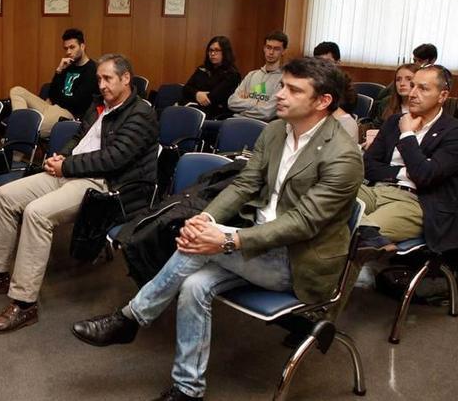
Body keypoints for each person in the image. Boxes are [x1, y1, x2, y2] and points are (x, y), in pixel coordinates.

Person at [72, 57, 363, 401]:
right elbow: (243, 186)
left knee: (192, 249)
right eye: (282, 85)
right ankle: (188, 389)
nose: (279, 94)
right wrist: (206, 220)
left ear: (323, 101)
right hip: (255, 247)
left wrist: (227, 239)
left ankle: (130, 318)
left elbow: (302, 222)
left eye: (293, 89)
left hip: (298, 261)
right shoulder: (274, 131)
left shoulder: (343, 155)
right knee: (195, 283)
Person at [0, 54, 159, 334]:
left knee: (37, 214)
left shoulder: (141, 114)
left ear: (126, 79)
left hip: (103, 184)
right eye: (99, 78)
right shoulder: (99, 105)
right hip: (71, 171)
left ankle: (24, 304)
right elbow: (80, 137)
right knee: (4, 196)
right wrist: (60, 157)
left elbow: (113, 159)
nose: (101, 84)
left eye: (108, 79)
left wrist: (66, 165)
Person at [358, 65, 458, 254]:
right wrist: (404, 172)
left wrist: (407, 135)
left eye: (423, 88)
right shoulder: (394, 121)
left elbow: (425, 176)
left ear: (442, 96)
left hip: (416, 202)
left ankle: (366, 235)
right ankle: (369, 233)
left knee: (353, 234)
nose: (412, 93)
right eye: (412, 86)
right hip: (377, 190)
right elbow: (367, 166)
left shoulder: (453, 132)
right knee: (328, 203)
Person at [9, 28, 98, 136]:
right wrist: (59, 70)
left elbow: (77, 103)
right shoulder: (67, 66)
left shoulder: (92, 70)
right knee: (17, 91)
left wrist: (57, 99)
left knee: (31, 127)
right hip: (52, 107)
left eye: (72, 47)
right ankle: (21, 123)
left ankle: (18, 130)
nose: (68, 52)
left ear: (82, 46)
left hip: (69, 114)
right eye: (66, 48)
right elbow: (52, 93)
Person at [227, 31, 288, 122]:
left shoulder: (284, 80)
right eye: (268, 47)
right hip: (236, 121)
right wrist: (256, 103)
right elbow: (231, 102)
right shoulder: (251, 75)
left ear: (283, 51)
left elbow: (267, 113)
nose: (271, 52)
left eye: (276, 49)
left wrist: (243, 109)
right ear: (264, 48)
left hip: (261, 126)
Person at [181, 36, 241, 119]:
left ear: (225, 52)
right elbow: (186, 89)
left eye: (217, 50)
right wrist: (197, 94)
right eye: (210, 50)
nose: (212, 53)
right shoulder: (202, 69)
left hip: (216, 113)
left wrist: (194, 93)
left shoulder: (232, 74)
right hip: (195, 108)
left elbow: (212, 98)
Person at [312, 42, 358, 142]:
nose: (323, 67)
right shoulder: (310, 84)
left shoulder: (346, 88)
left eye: (327, 62)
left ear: (338, 63)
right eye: (319, 62)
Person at [365, 63, 419, 146]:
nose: (402, 83)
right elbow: (375, 128)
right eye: (398, 79)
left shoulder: (425, 107)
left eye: (408, 79)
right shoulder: (386, 103)